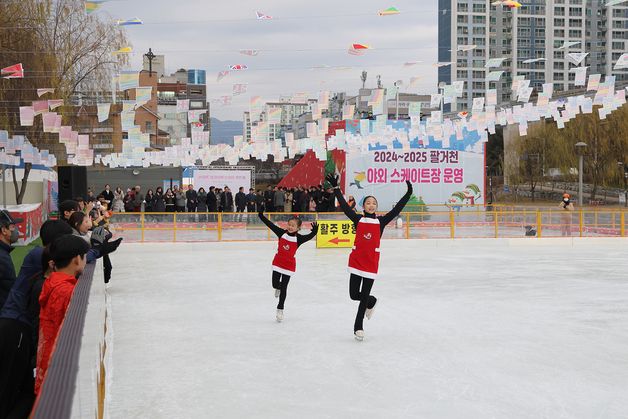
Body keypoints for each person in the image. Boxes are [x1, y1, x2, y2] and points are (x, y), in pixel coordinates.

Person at [326, 174, 412, 341]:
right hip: (357, 261)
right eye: (368, 203)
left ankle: (358, 327)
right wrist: (336, 189)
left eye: (374, 203)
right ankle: (371, 301)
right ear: (363, 206)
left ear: (376, 207)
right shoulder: (358, 219)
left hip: (371, 264)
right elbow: (344, 207)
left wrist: (408, 193)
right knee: (353, 295)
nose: (371, 205)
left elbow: (397, 210)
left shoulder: (381, 222)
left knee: (362, 297)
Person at [0, 221, 71, 418]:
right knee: (9, 389)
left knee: (24, 390)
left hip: (17, 325)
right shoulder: (37, 254)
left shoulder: (44, 259)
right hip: (15, 327)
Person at [35, 234, 90, 395]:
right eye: (84, 256)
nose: (86, 260)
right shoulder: (65, 291)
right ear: (76, 260)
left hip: (50, 357)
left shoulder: (53, 281)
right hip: (57, 365)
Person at [258, 211, 318, 322]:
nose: (290, 227)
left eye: (293, 226)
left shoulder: (299, 239)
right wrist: (261, 215)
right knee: (275, 284)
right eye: (289, 224)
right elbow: (270, 224)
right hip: (278, 262)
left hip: (288, 265)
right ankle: (278, 287)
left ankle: (280, 309)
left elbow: (309, 237)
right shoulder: (281, 233)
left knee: (284, 287)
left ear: (298, 228)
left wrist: (314, 232)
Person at [0, 210, 21, 310]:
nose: (16, 230)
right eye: (13, 226)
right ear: (4, 230)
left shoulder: (4, 253)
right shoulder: (2, 258)